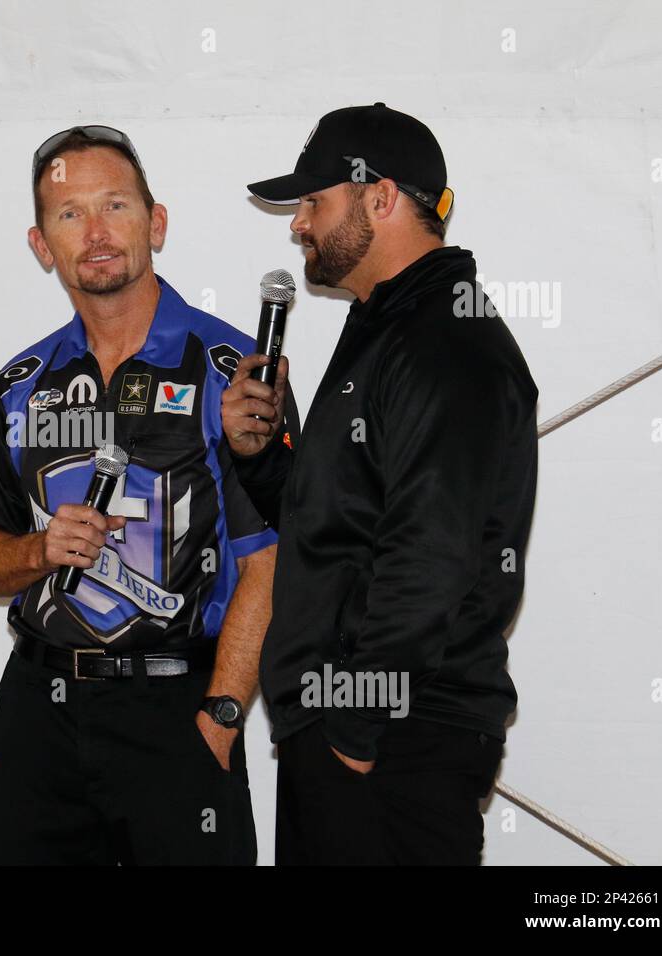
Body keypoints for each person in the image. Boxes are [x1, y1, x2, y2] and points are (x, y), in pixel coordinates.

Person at [0, 126, 299, 865]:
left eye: (116, 205)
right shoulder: (20, 385)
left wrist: (223, 716)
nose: (97, 232)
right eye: (69, 214)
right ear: (42, 245)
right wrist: (37, 550)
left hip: (179, 711)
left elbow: (271, 560)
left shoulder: (236, 374)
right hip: (38, 710)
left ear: (157, 222)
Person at [222, 103, 538, 864]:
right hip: (355, 732)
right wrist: (262, 455)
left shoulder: (445, 341)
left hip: (394, 739)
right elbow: (341, 524)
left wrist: (357, 725)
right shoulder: (389, 327)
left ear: (381, 197)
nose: (298, 224)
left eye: (313, 201)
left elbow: (428, 552)